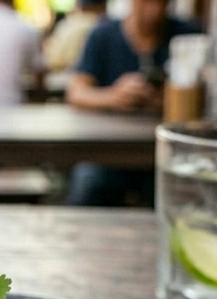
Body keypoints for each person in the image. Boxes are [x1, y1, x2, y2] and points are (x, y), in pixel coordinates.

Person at [64, 0, 201, 205]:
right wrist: (113, 96)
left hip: (166, 152)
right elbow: (76, 93)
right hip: (109, 151)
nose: (154, 10)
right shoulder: (103, 35)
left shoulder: (187, 36)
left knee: (183, 194)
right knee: (88, 185)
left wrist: (167, 98)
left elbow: (204, 93)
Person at [42, 0, 105, 74]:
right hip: (73, 74)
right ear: (101, 6)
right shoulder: (95, 24)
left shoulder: (68, 22)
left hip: (55, 74)